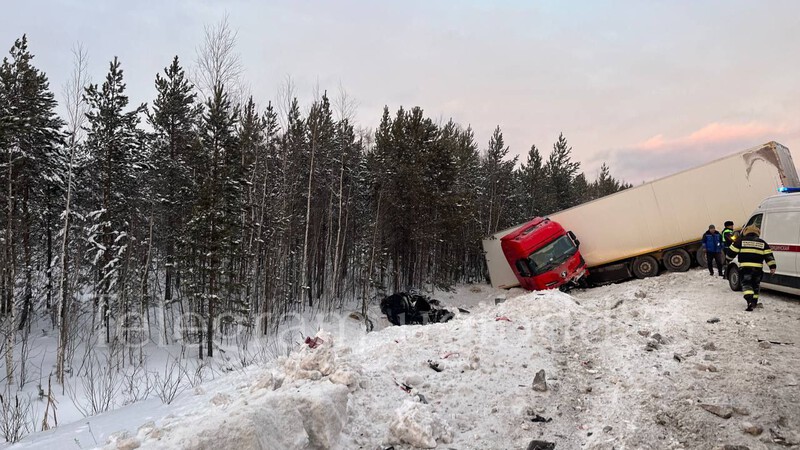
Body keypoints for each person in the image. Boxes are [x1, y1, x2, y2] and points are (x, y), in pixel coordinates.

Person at [725, 225, 776, 311]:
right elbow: (769, 256)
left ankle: (749, 301)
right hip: (758, 269)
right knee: (756, 285)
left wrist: (727, 260)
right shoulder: (762, 243)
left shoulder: (740, 241)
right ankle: (754, 302)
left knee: (747, 284)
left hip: (745, 268)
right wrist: (772, 267)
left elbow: (730, 253)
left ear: (746, 232)